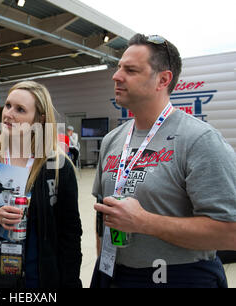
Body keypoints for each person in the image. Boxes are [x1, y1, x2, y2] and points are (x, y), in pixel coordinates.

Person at [91, 33, 236, 288]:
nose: (116, 76)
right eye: (118, 67)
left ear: (163, 79)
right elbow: (103, 213)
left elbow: (230, 233)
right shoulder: (112, 140)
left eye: (131, 70)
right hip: (114, 274)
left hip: (180, 277)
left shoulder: (199, 139)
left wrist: (144, 222)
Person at [0, 81, 83, 288]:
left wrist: (70, 283)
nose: (9, 114)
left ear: (39, 119)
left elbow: (70, 234)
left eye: (20, 109)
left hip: (38, 280)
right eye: (8, 105)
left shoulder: (57, 166)